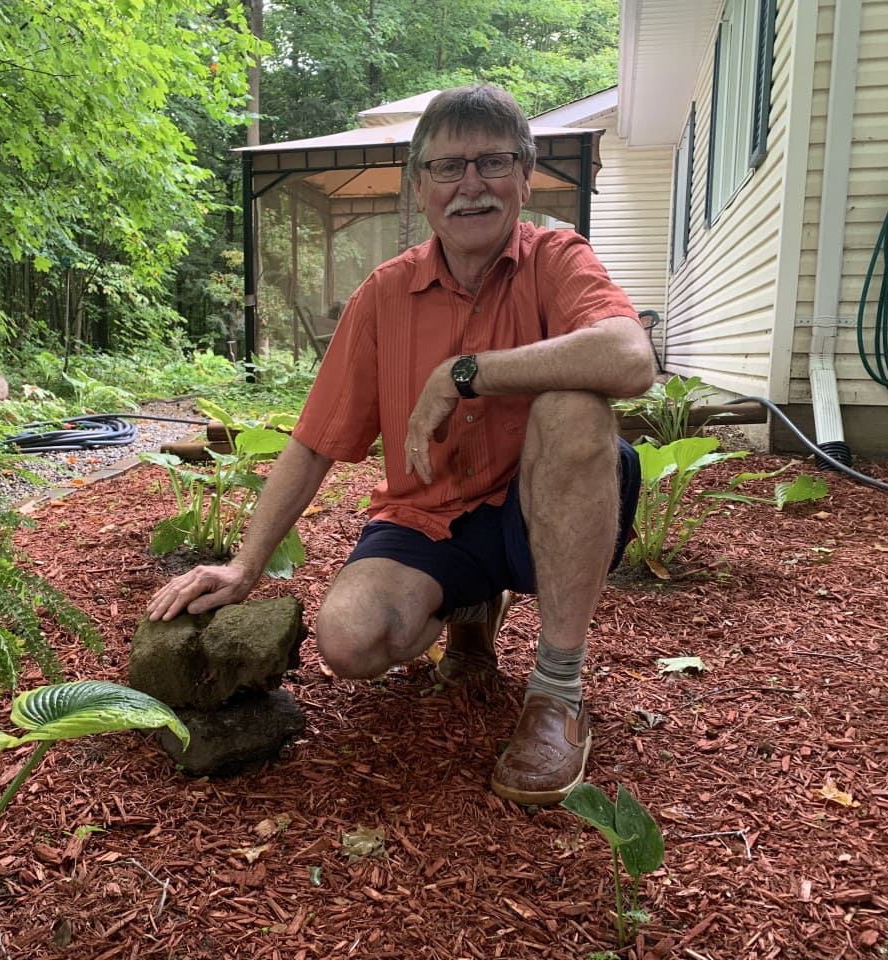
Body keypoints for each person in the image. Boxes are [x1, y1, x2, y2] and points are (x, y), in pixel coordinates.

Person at [147, 84, 656, 806]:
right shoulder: (383, 297)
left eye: (493, 163)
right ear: (419, 188)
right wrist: (244, 564)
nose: (471, 185)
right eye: (448, 168)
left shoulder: (556, 258)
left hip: (538, 510)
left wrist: (465, 374)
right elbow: (315, 442)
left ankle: (557, 691)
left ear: (525, 174)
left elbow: (632, 359)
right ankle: (471, 613)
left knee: (575, 405)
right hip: (431, 518)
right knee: (349, 640)